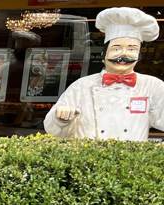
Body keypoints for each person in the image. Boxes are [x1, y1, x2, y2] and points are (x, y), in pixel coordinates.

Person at [44, 7, 164, 141]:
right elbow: (52, 130)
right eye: (116, 48)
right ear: (103, 55)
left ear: (139, 55)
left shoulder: (152, 86)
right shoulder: (81, 86)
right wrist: (61, 119)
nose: (124, 54)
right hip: (89, 157)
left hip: (133, 160)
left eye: (132, 49)